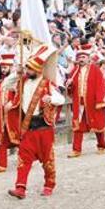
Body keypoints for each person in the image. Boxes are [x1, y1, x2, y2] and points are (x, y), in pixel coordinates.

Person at [6, 45, 64, 199]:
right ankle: (20, 188)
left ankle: (49, 184)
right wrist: (16, 73)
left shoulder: (46, 83)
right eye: (26, 68)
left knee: (47, 159)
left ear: (38, 69)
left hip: (44, 128)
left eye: (29, 69)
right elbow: (6, 85)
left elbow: (61, 98)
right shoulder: (22, 82)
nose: (27, 71)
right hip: (28, 127)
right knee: (23, 159)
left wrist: (50, 99)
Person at [67, 43, 105, 157]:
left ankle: (101, 145)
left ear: (88, 58)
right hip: (78, 102)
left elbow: (100, 85)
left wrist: (100, 101)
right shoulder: (74, 71)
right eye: (79, 58)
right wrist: (69, 85)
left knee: (97, 124)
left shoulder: (95, 70)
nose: (81, 59)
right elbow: (71, 89)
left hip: (92, 102)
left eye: (83, 57)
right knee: (77, 125)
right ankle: (76, 149)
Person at [0, 53, 19, 174]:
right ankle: (1, 164)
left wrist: (13, 102)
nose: (3, 69)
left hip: (14, 115)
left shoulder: (17, 81)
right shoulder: (0, 82)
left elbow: (22, 95)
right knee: (0, 140)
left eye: (6, 67)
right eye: (2, 67)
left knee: (19, 138)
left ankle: (26, 159)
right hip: (1, 117)